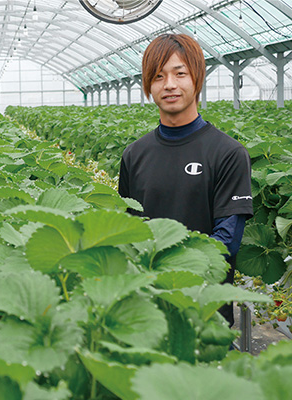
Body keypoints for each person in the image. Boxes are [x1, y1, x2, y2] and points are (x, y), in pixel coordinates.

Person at [118, 34, 253, 326]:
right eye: (158, 76)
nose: (169, 84)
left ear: (197, 79)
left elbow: (226, 242)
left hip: (205, 314)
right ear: (148, 86)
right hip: (145, 314)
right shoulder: (134, 154)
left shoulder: (228, 153)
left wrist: (167, 269)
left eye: (180, 73)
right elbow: (129, 229)